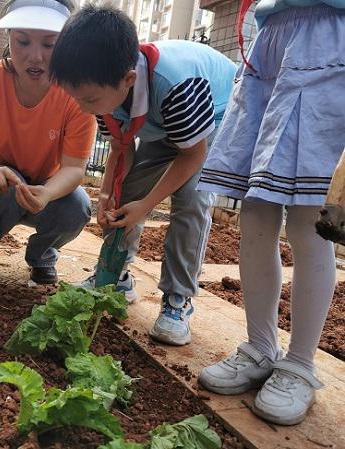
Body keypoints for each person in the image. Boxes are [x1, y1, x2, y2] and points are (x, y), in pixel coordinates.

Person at [49, 4, 236, 344]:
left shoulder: (178, 85)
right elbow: (121, 150)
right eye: (76, 99)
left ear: (128, 79)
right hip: (163, 125)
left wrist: (147, 206)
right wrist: (107, 196)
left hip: (211, 119)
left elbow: (192, 154)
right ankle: (115, 275)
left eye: (88, 99)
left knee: (191, 200)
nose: (82, 109)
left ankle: (178, 299)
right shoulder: (103, 94)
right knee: (126, 196)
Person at [196, 0, 344, 426]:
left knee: (310, 221)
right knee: (256, 214)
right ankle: (260, 346)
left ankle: (299, 363)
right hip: (271, 41)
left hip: (331, 39)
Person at [0, 0, 96, 284]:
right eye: (23, 42)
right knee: (6, 181)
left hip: (46, 190)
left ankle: (42, 254)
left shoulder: (75, 94)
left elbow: (74, 168)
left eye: (49, 44)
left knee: (78, 206)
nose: (35, 57)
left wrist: (47, 193)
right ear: (8, 38)